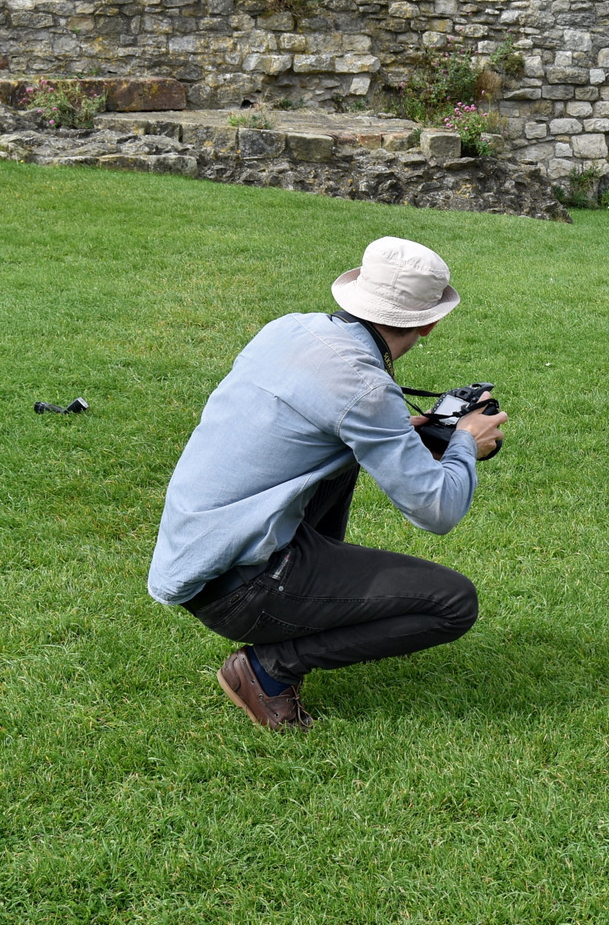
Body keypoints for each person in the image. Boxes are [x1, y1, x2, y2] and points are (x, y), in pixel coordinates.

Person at [148, 237, 507, 730]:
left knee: (344, 458)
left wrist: (404, 438)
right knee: (453, 604)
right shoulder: (364, 387)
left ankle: (295, 609)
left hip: (197, 553)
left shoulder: (288, 330)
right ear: (430, 321)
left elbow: (317, 425)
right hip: (239, 586)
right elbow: (437, 511)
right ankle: (269, 669)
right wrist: (466, 441)